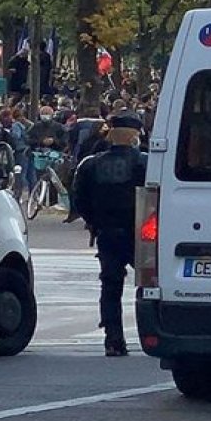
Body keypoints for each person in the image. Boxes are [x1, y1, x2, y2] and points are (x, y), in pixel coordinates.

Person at [72, 113, 147, 356]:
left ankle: (113, 339)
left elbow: (79, 201)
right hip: (141, 234)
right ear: (135, 135)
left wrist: (95, 223)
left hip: (107, 232)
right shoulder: (145, 163)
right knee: (152, 285)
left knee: (110, 287)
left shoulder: (91, 164)